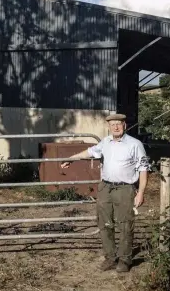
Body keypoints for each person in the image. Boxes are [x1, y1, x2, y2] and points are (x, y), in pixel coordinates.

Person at [60, 113, 150, 273]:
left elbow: (143, 169)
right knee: (105, 223)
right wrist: (71, 158)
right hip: (105, 188)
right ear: (109, 127)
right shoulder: (105, 143)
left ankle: (124, 260)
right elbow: (88, 152)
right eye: (112, 124)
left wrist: (141, 192)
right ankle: (110, 257)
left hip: (125, 189)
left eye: (119, 124)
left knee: (125, 224)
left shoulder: (135, 144)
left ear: (125, 125)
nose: (115, 127)